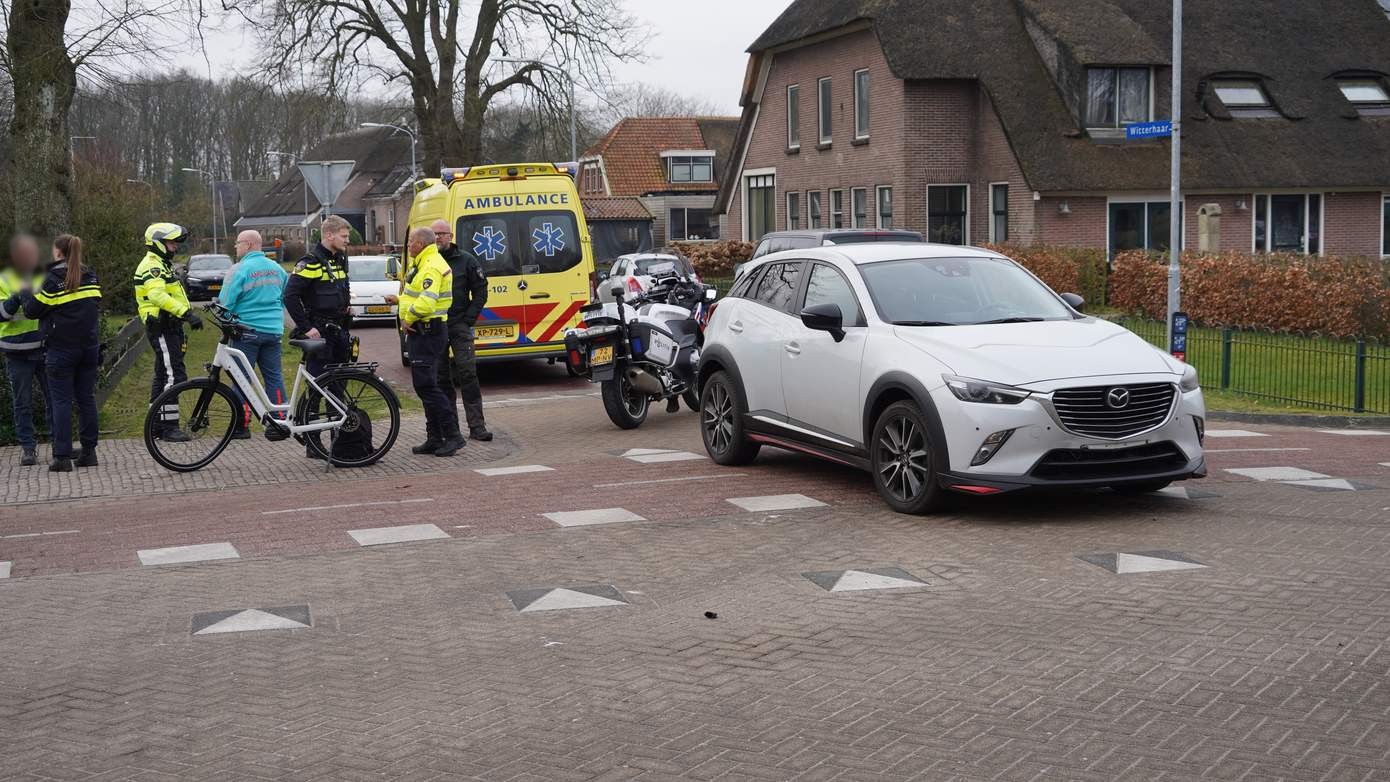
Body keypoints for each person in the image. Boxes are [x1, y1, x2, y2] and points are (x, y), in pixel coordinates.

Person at [23, 235, 100, 472]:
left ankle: (62, 457)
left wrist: (26, 289)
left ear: (58, 253)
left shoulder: (52, 280)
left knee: (61, 402)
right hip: (89, 347)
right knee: (86, 399)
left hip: (61, 350)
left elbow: (31, 311)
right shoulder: (91, 277)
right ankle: (89, 452)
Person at [283, 215, 353, 457]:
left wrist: (346, 306)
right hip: (320, 334)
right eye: (344, 236)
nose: (347, 240)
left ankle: (339, 443)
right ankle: (313, 444)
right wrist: (305, 327)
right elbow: (289, 296)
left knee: (338, 388)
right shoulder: (310, 262)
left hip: (340, 331)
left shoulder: (340, 259)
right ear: (329, 235)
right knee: (316, 388)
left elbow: (343, 288)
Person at [397, 226, 464, 457]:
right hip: (424, 331)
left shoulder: (431, 266)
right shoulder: (424, 262)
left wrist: (407, 318)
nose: (408, 246)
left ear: (421, 244)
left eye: (410, 242)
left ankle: (452, 436)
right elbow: (416, 295)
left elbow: (426, 303)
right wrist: (398, 300)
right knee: (426, 386)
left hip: (427, 331)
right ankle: (434, 437)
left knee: (427, 386)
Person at [134, 222, 201, 442]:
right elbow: (157, 296)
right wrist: (186, 313)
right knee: (175, 375)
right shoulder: (152, 266)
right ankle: (169, 427)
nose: (174, 247)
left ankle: (156, 425)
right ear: (158, 243)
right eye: (170, 242)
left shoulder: (161, 264)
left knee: (163, 374)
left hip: (168, 326)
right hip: (162, 326)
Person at [220, 230, 289, 440]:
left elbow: (225, 303)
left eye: (238, 243)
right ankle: (279, 422)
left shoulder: (238, 269)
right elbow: (284, 297)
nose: (236, 247)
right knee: (274, 376)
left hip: (246, 332)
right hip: (273, 331)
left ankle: (241, 425)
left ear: (249, 245)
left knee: (241, 378)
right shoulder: (278, 269)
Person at [430, 218, 493, 442]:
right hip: (436, 326)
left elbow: (481, 291)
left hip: (459, 325)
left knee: (468, 374)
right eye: (434, 234)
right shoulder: (428, 262)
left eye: (442, 233)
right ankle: (451, 429)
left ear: (451, 236)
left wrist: (468, 319)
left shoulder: (466, 260)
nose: (438, 237)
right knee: (441, 378)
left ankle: (477, 426)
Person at [0, 235, 50, 466]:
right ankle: (28, 449)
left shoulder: (42, 277)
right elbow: (1, 313)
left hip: (43, 347)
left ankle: (60, 444)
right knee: (23, 403)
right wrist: (19, 295)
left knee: (55, 399)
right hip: (16, 351)